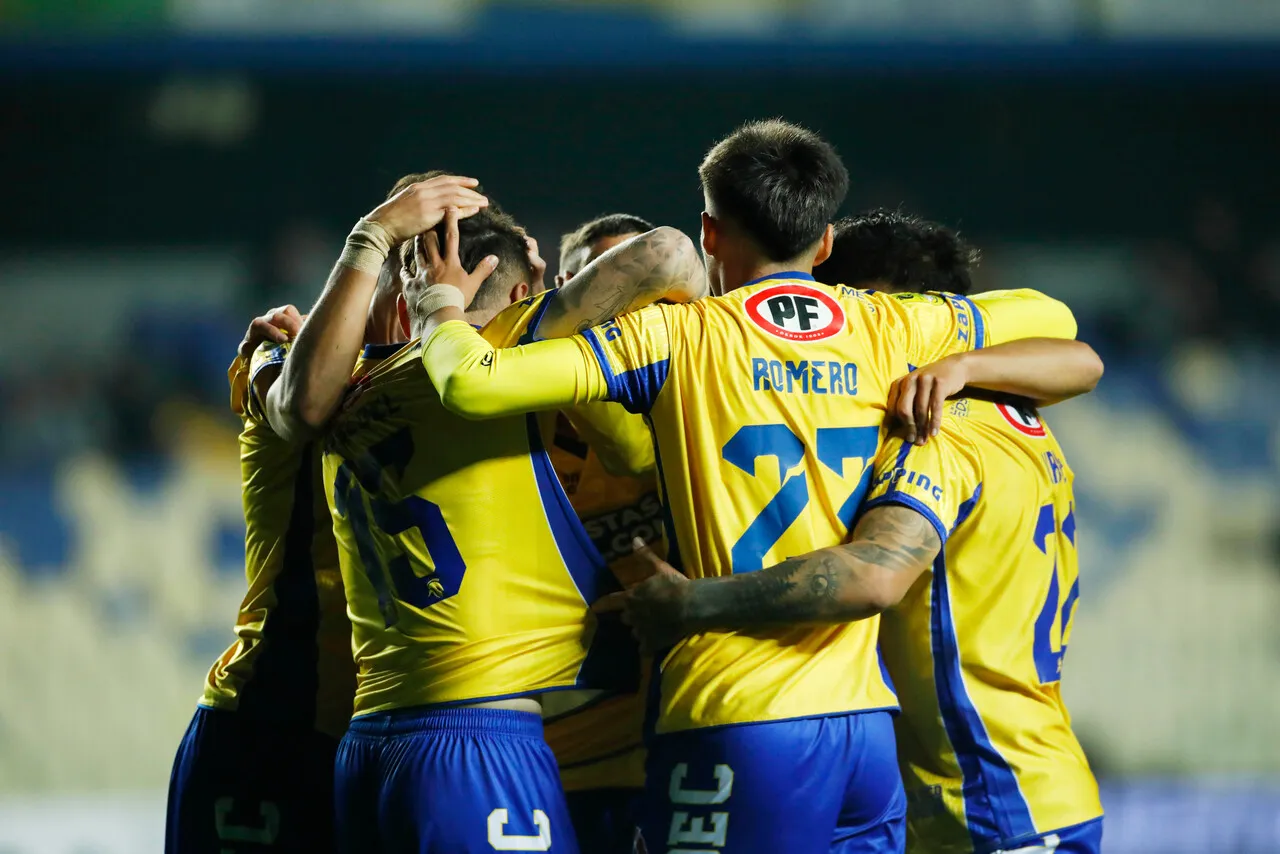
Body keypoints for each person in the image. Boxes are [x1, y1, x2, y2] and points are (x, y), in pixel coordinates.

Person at [409, 119, 1085, 853]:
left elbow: (471, 387)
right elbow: (1058, 321)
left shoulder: (678, 336)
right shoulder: (895, 327)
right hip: (863, 728)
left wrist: (440, 307)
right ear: (825, 243)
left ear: (708, 232)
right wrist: (960, 365)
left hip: (735, 714)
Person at [607, 208, 1106, 854]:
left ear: (888, 310)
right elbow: (1083, 359)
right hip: (1036, 786)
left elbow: (874, 572)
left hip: (987, 808)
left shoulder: (936, 433)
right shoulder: (1023, 424)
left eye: (845, 307)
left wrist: (695, 604)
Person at [272, 176, 703, 852]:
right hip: (477, 745)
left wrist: (373, 234)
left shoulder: (342, 386)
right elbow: (671, 254)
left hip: (371, 742)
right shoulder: (506, 344)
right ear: (522, 290)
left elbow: (296, 405)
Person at [543, 213, 665, 853]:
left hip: (674, 747)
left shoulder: (701, 400)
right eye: (605, 280)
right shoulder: (520, 420)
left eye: (643, 284)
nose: (627, 302)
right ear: (566, 288)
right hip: (550, 766)